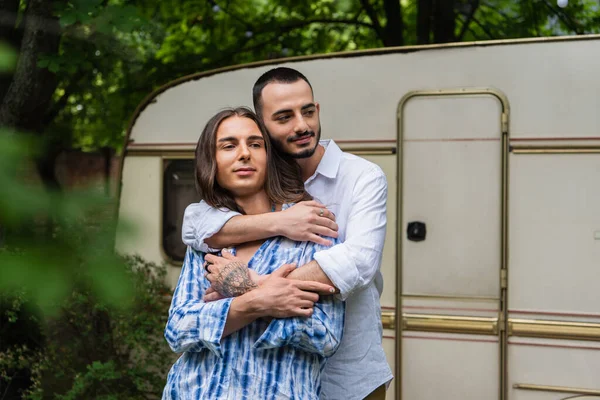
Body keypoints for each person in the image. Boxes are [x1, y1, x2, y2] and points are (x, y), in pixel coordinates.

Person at [182, 67, 392, 400]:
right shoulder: (255, 177)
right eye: (284, 117)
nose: (302, 125)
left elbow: (358, 263)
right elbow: (195, 224)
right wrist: (281, 222)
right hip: (279, 380)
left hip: (350, 374)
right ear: (262, 128)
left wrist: (252, 285)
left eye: (307, 111)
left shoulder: (361, 177)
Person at [163, 107, 345, 400]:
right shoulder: (207, 240)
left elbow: (324, 335)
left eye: (255, 144)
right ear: (212, 162)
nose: (244, 153)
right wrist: (258, 301)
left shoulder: (312, 230)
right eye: (229, 145)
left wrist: (243, 288)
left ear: (269, 156)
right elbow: (179, 329)